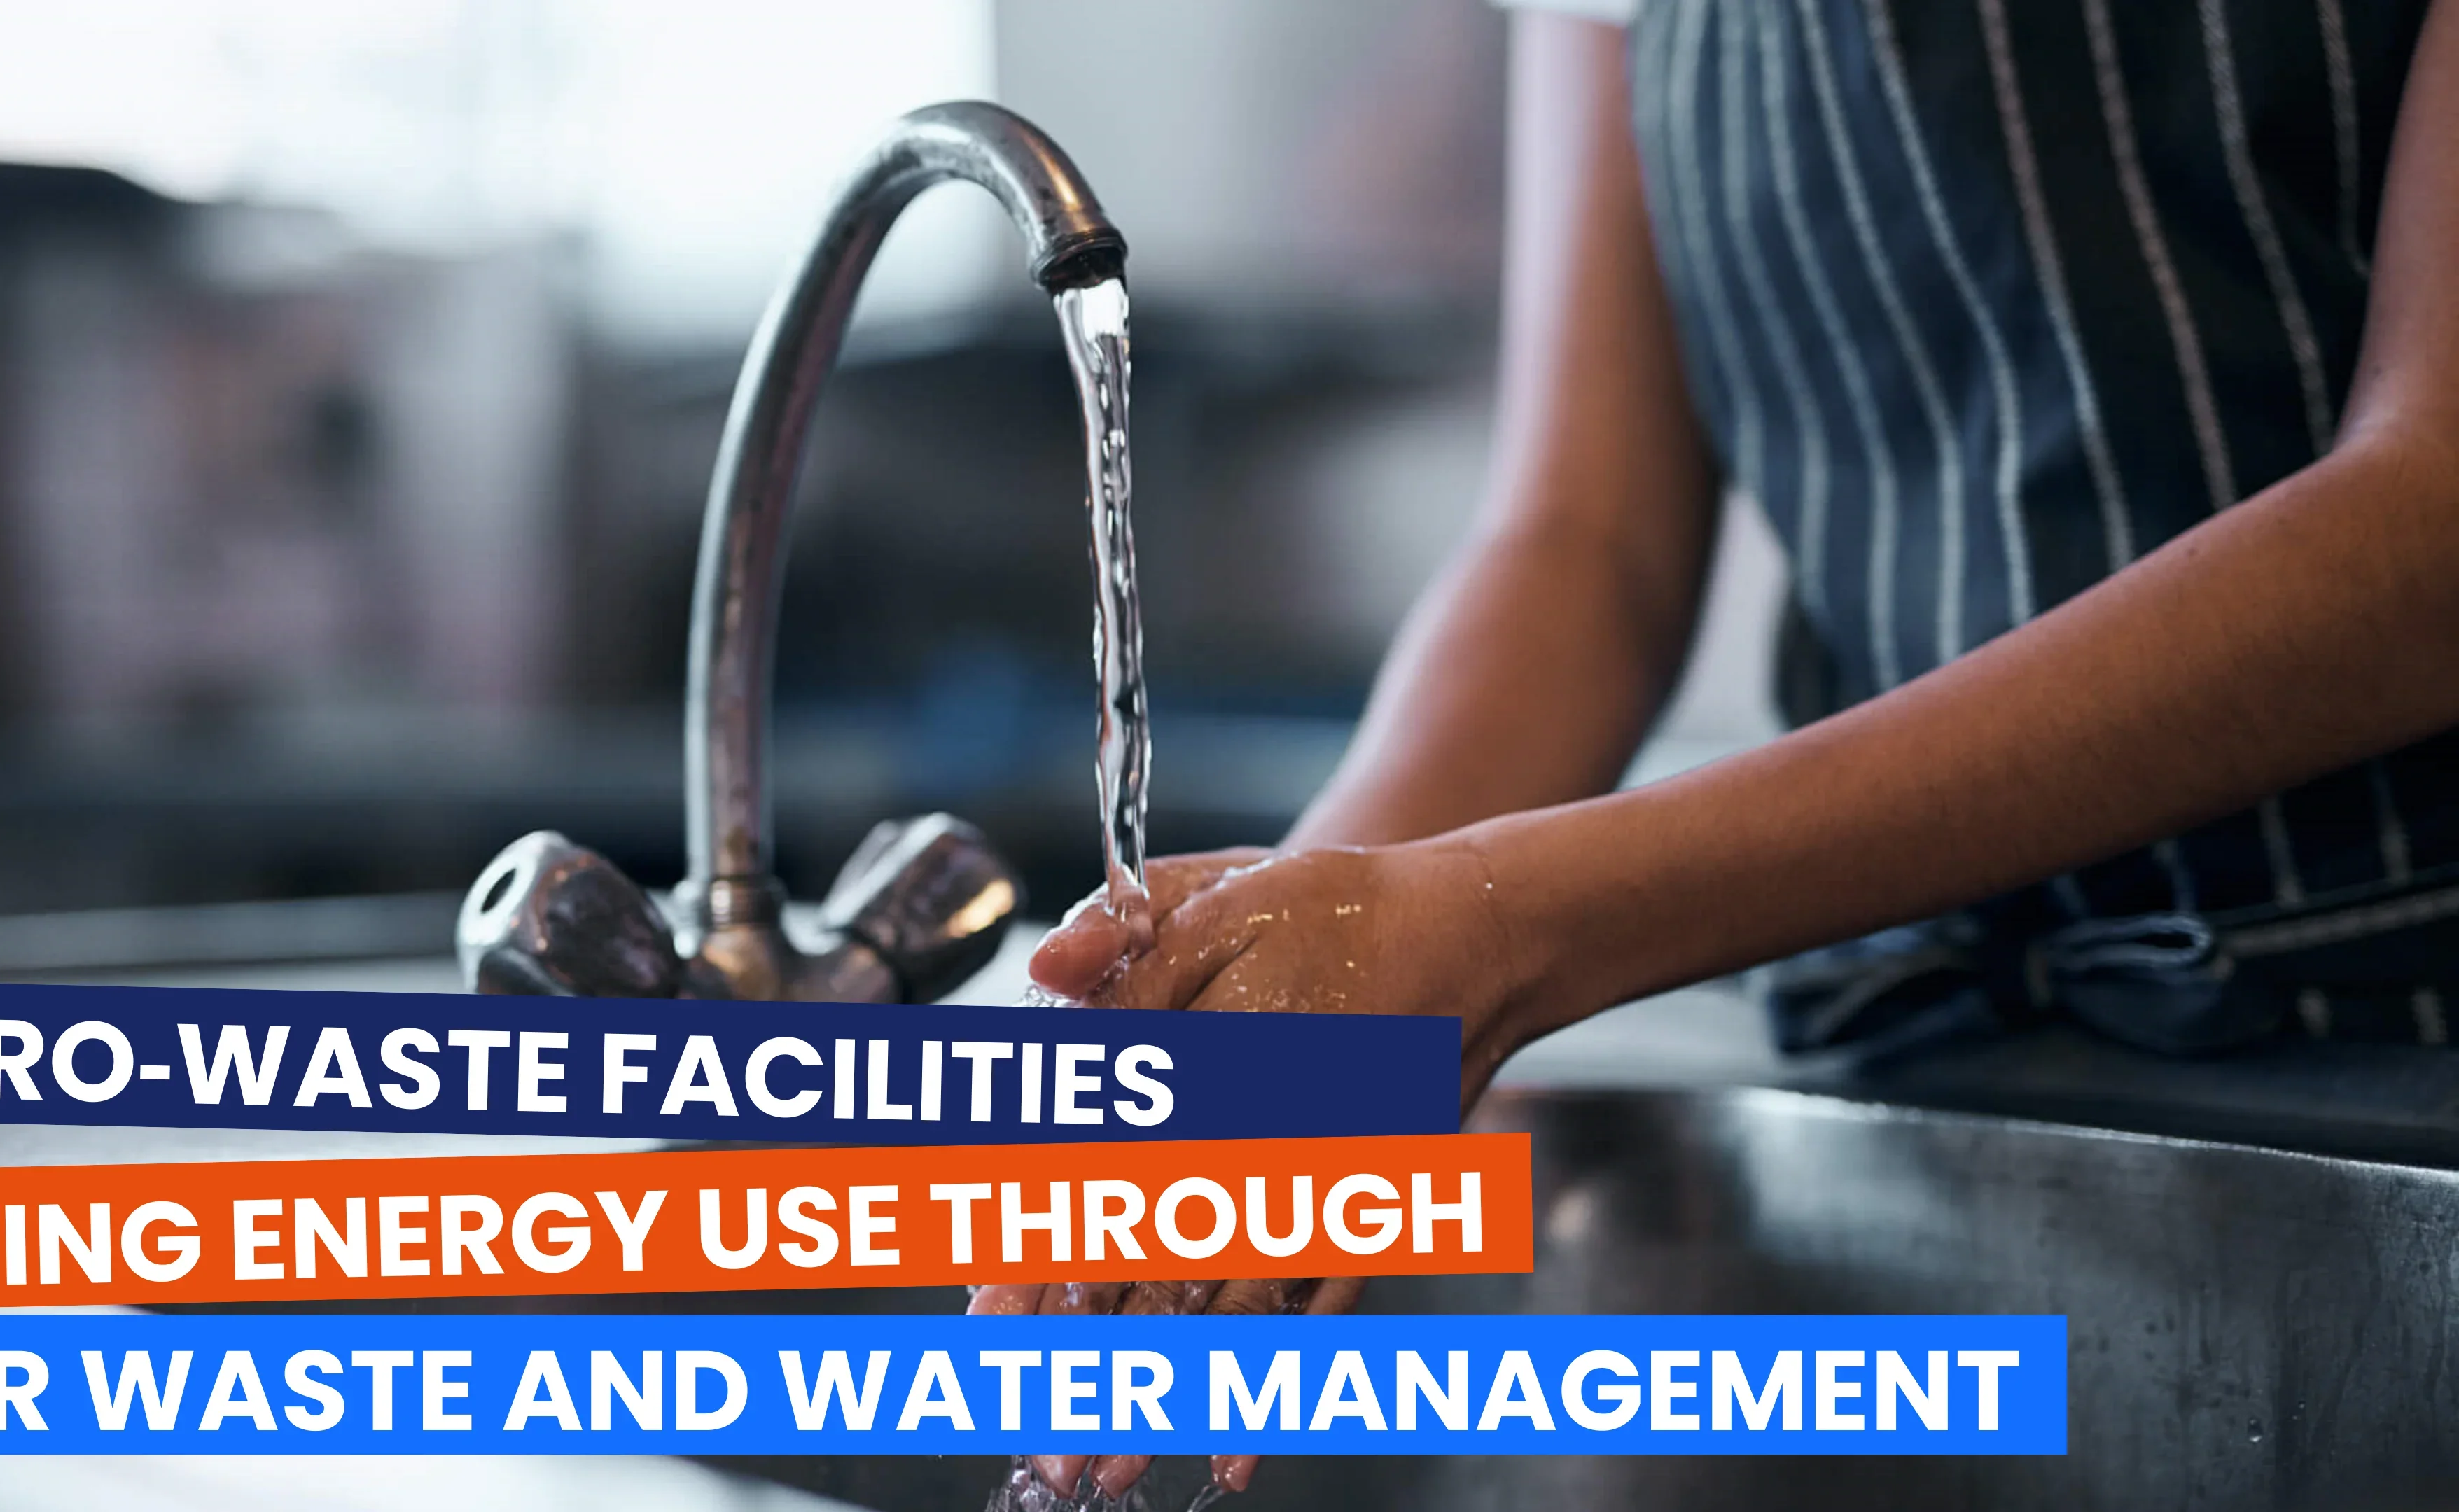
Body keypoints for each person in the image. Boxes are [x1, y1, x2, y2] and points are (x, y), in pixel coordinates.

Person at [978, 0, 2459, 1499]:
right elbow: (1584, 545)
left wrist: (1500, 915)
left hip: (2396, 1050)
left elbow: (2429, 529)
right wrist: (1275, 1016)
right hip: (1917, 1052)